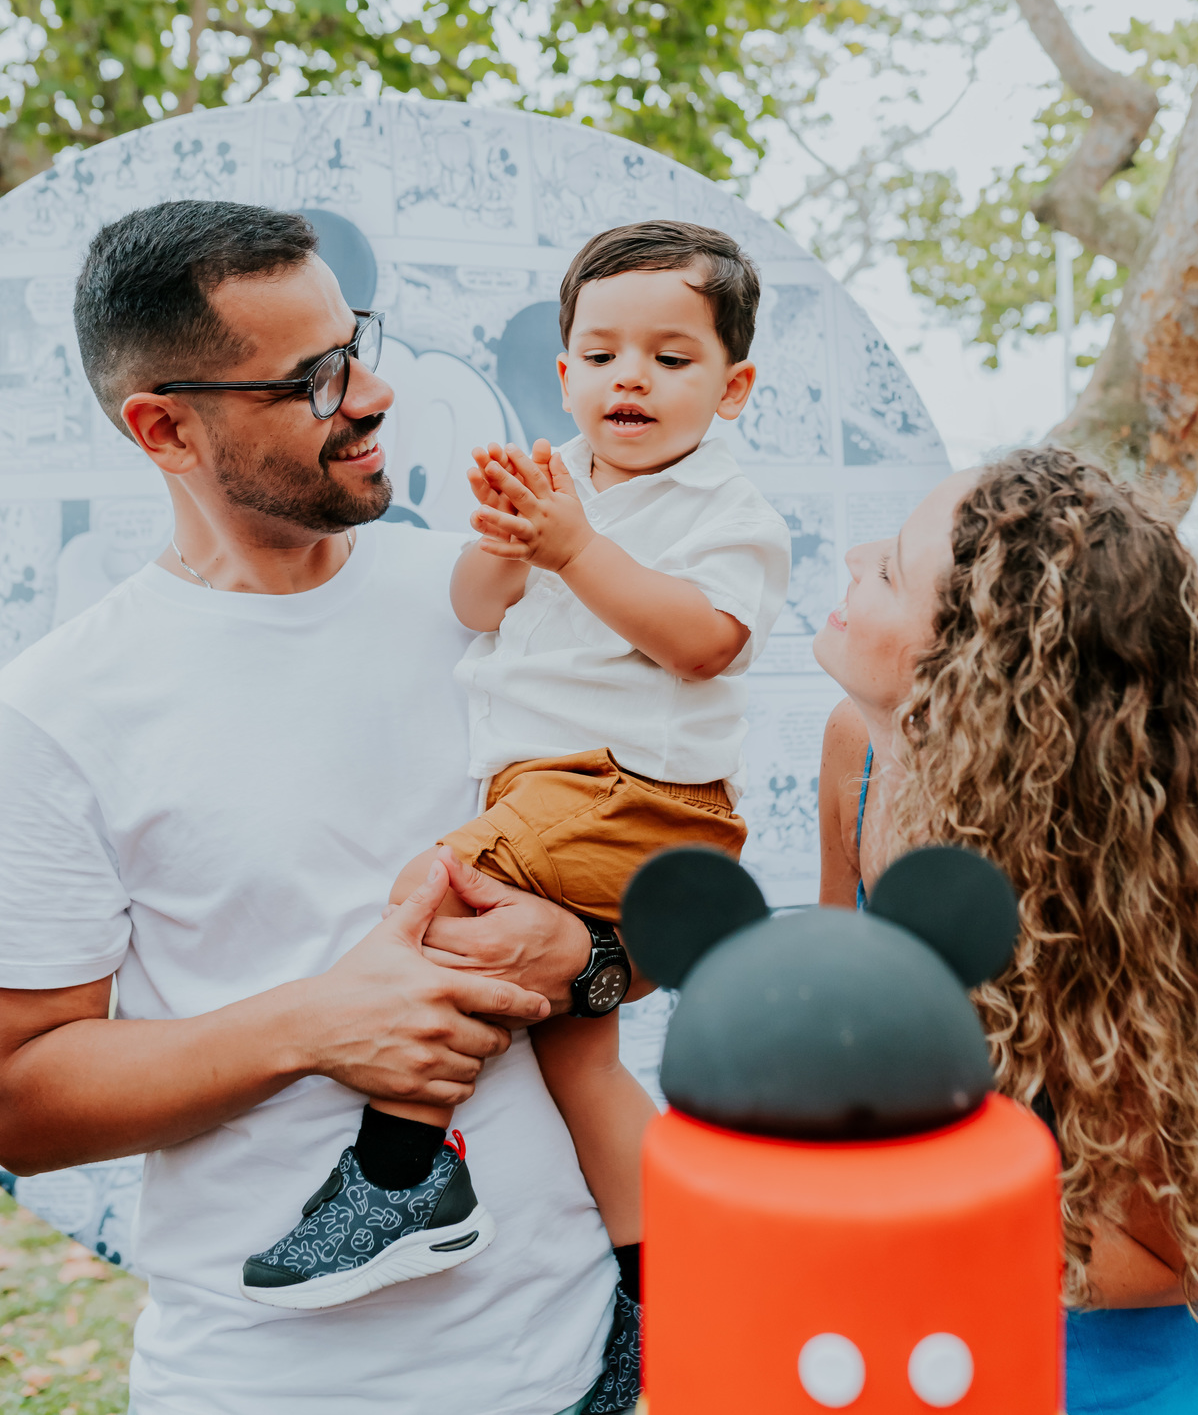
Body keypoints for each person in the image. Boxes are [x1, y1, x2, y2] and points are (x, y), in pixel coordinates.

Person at [0, 198, 626, 1415]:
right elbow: (20, 1097)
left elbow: (631, 912)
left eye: (360, 342)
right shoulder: (55, 709)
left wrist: (588, 956)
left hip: (572, 1352)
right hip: (276, 1383)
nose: (376, 392)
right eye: (316, 378)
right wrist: (316, 1025)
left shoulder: (489, 594)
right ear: (165, 428)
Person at [246, 220, 793, 1317]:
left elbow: (705, 642)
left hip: (632, 793)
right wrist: (507, 542)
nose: (629, 378)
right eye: (601, 356)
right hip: (551, 794)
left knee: (433, 898)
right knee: (581, 1064)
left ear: (732, 390)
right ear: (563, 374)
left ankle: (403, 1177)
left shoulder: (722, 507)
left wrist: (576, 550)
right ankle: (673, 1300)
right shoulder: (554, 488)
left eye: (669, 359)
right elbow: (472, 608)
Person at [814, 446, 1198, 1415]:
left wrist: (905, 1186)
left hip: (1092, 1369)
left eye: (892, 568)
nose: (856, 555)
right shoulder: (855, 752)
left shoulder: (1124, 884)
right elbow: (825, 1024)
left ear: (965, 668)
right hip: (886, 1330)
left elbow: (1164, 1255)